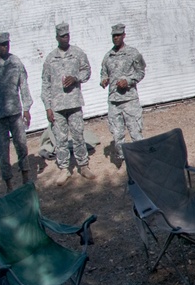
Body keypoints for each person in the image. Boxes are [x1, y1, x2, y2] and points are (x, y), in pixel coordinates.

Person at [42, 22, 94, 185]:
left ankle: (83, 165)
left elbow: (87, 71)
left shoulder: (78, 54)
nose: (65, 38)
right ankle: (64, 169)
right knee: (60, 139)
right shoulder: (50, 59)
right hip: (57, 107)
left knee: (78, 135)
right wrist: (48, 107)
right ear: (57, 37)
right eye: (62, 36)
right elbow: (45, 84)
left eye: (67, 35)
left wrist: (76, 78)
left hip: (74, 103)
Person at [0, 32, 33, 192]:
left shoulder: (16, 63)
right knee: (3, 152)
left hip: (15, 114)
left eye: (7, 44)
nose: (5, 47)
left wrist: (26, 108)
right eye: (2, 45)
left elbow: (24, 86)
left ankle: (25, 179)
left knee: (22, 145)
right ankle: (9, 185)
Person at [100, 23, 146, 162]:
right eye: (114, 36)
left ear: (124, 36)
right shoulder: (108, 56)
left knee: (135, 132)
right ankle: (124, 159)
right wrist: (104, 80)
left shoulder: (133, 53)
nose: (116, 38)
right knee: (117, 134)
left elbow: (141, 72)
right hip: (114, 101)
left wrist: (129, 81)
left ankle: (142, 159)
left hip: (129, 100)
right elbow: (103, 73)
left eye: (118, 35)